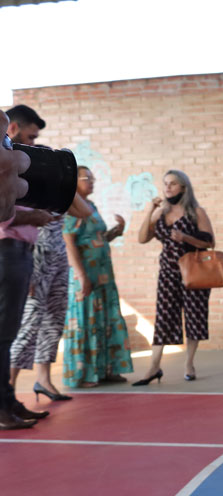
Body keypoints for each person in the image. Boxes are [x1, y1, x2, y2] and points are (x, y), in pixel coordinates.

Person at [10, 144, 90, 401]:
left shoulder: (58, 193)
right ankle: (8, 386)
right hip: (35, 257)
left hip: (58, 258)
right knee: (30, 321)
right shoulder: (24, 190)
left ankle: (43, 380)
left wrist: (66, 186)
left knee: (54, 320)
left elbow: (84, 212)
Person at [0, 106, 54, 429]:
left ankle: (8, 401)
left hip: (19, 252)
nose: (34, 142)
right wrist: (36, 217)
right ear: (15, 127)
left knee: (7, 334)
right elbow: (5, 215)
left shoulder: (15, 162)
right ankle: (2, 407)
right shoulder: (6, 163)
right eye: (31, 135)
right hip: (8, 250)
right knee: (3, 336)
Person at [135, 170, 214, 384]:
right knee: (163, 317)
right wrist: (150, 210)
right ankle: (153, 367)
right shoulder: (161, 213)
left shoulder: (196, 212)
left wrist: (186, 237)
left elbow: (209, 242)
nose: (168, 187)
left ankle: (189, 363)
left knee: (194, 317)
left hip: (192, 272)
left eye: (173, 184)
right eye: (165, 184)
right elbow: (142, 238)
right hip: (168, 273)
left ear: (184, 188)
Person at [61, 166, 133, 388]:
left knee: (106, 320)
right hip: (87, 274)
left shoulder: (90, 206)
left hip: (103, 274)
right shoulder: (71, 207)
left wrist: (116, 231)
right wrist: (81, 275)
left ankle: (106, 369)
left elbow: (97, 239)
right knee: (88, 320)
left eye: (92, 178)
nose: (91, 182)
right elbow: (69, 241)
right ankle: (85, 374)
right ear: (75, 181)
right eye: (86, 178)